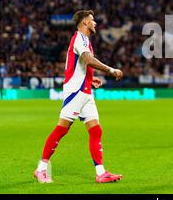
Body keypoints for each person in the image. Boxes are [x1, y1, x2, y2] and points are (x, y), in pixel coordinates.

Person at [34, 10, 124, 184]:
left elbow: (80, 65)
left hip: (85, 91)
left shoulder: (85, 41)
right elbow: (88, 60)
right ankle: (41, 169)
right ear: (84, 23)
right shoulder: (79, 39)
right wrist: (111, 70)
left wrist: (90, 79)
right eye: (92, 20)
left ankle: (101, 173)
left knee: (95, 129)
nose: (95, 23)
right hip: (76, 92)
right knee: (62, 129)